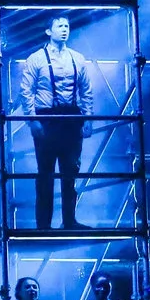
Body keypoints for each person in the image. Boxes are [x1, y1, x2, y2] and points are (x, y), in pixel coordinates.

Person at [17, 15, 94, 232]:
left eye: (66, 26)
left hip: (72, 117)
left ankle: (70, 221)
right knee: (46, 173)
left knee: (70, 171)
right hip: (47, 118)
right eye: (59, 26)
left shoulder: (77, 58)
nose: (64, 29)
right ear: (48, 31)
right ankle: (44, 225)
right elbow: (26, 91)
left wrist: (87, 118)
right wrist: (32, 120)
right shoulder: (36, 59)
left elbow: (86, 90)